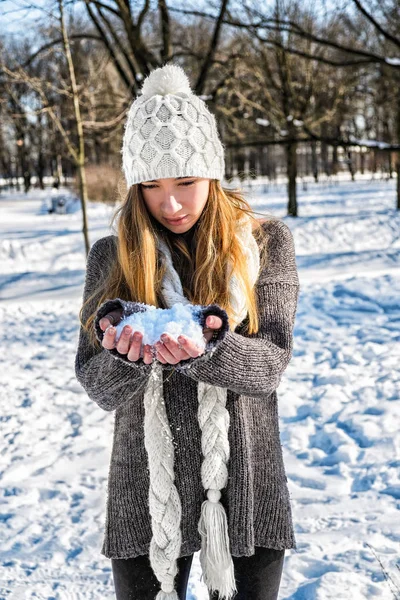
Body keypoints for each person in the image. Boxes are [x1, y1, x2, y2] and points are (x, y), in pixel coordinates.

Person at [75, 63, 300, 600]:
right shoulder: (111, 256)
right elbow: (95, 382)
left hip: (245, 476)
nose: (169, 203)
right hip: (146, 484)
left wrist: (208, 348)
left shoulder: (266, 245)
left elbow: (271, 362)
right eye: (151, 186)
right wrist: (123, 357)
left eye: (186, 183)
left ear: (213, 174)